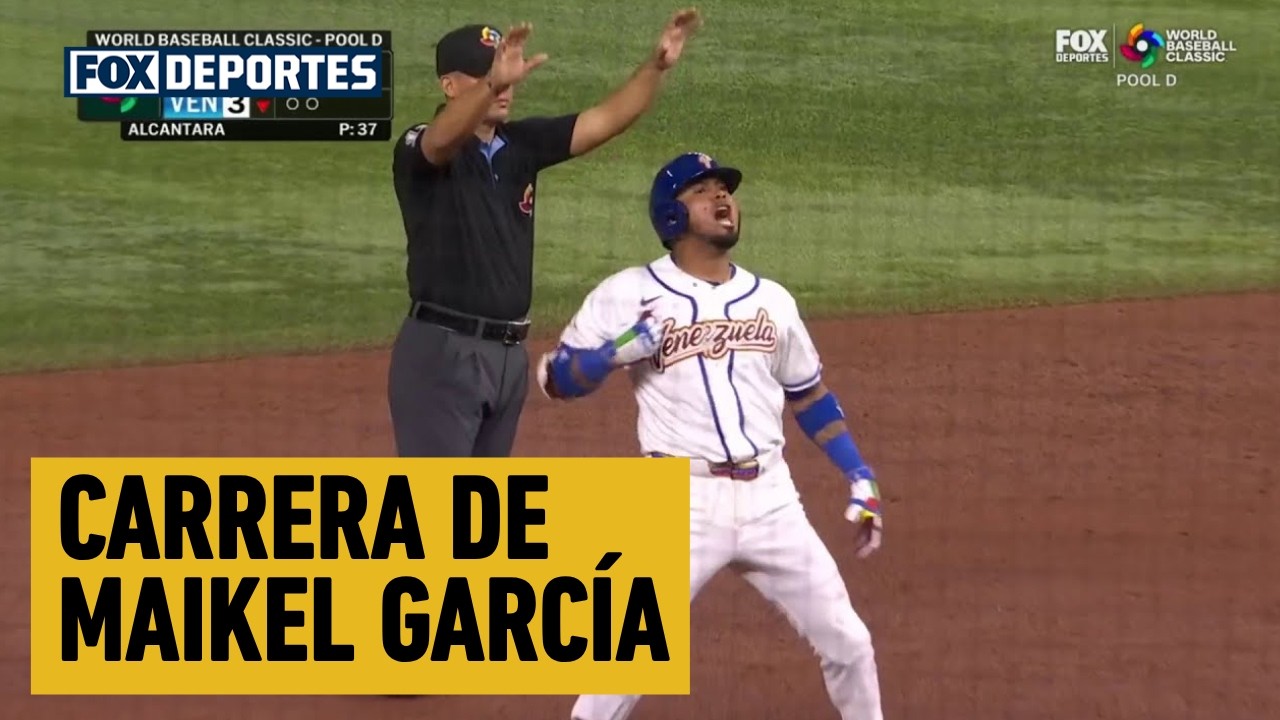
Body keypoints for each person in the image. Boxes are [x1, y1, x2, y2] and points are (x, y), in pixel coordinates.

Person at [534, 152, 887, 720]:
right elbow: (555, 380)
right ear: (670, 217)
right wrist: (613, 353)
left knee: (849, 641)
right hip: (679, 502)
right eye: (702, 191)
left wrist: (858, 472)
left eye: (725, 189)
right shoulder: (629, 292)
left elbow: (809, 396)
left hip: (772, 499)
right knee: (622, 665)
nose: (722, 199)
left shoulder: (772, 300)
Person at [388, 10, 703, 457]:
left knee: (481, 515)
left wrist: (656, 67)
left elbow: (606, 119)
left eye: (505, 72)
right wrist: (492, 85)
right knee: (439, 513)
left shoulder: (521, 146)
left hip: (508, 356)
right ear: (450, 85)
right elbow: (439, 141)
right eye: (485, 73)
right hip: (443, 351)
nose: (505, 83)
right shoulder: (420, 145)